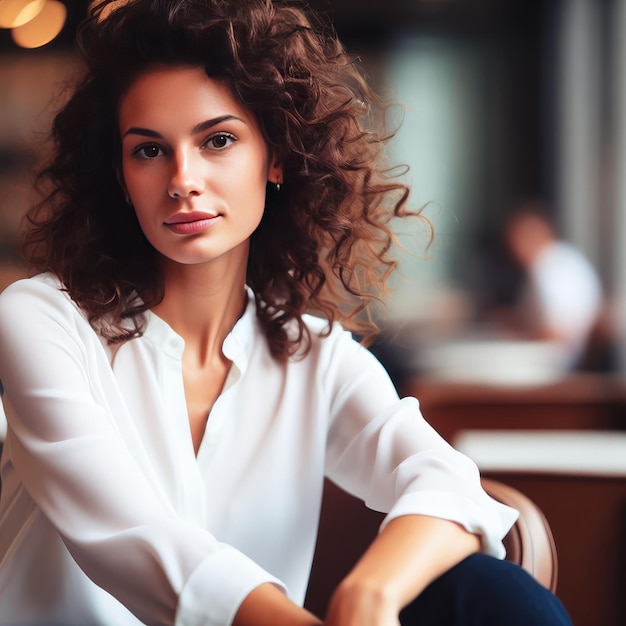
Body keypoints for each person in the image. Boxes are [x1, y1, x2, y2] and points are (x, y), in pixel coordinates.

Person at [0, 2, 572, 625]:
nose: (182, 179)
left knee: (491, 594)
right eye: (148, 151)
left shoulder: (316, 355)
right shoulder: (42, 320)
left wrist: (369, 594)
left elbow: (449, 483)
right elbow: (129, 536)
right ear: (120, 175)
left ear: (274, 158)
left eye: (217, 140)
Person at [504, 202, 604, 370]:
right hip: (563, 363)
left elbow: (557, 333)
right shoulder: (558, 260)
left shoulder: (552, 266)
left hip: (562, 368)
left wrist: (520, 335)